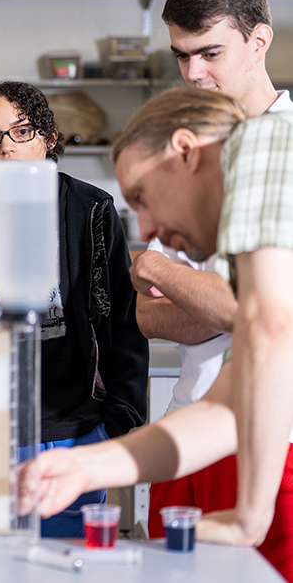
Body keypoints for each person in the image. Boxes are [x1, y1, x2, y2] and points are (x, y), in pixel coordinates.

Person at [17, 86, 293, 582]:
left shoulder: (263, 144)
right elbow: (227, 409)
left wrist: (249, 518)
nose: (149, 228)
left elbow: (271, 327)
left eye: (142, 198)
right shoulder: (258, 256)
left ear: (184, 151)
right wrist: (88, 468)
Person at [0, 81, 148, 538]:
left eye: (21, 132)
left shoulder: (90, 210)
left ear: (49, 137)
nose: (7, 147)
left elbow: (123, 324)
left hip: (69, 430)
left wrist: (119, 420)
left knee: (61, 558)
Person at [129, 0, 293, 538]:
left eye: (211, 53)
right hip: (185, 424)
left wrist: (158, 269)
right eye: (181, 55)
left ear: (259, 41)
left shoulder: (287, 149)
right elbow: (148, 316)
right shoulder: (189, 155)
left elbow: (265, 318)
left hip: (272, 437)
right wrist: (213, 301)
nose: (193, 73)